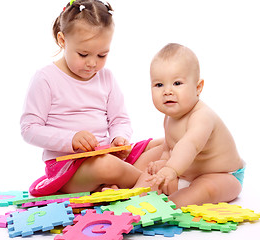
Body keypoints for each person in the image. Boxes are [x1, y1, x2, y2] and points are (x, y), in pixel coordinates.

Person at [20, 0, 157, 196]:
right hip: (67, 169)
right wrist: (71, 139)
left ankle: (115, 185)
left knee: (164, 143)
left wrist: (119, 138)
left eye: (102, 55)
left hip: (107, 155)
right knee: (107, 167)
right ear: (62, 40)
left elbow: (119, 119)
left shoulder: (106, 77)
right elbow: (29, 129)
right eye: (83, 54)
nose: (92, 63)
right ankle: (148, 183)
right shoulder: (46, 78)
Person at [133, 43, 245, 208]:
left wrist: (171, 168)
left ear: (198, 87)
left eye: (177, 83)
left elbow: (190, 145)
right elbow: (169, 146)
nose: (167, 91)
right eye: (159, 85)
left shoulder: (202, 116)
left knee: (205, 188)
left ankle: (171, 207)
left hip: (223, 176)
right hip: (184, 172)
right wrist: (163, 162)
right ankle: (132, 196)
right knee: (151, 171)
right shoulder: (169, 117)